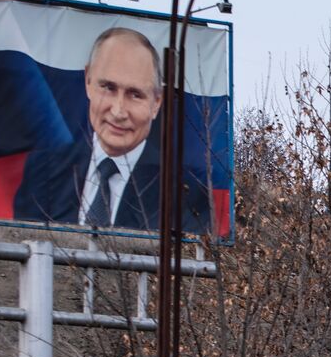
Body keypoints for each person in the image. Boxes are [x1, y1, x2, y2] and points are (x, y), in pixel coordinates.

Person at [13, 27, 214, 233]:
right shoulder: (44, 171)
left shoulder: (185, 196)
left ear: (156, 102)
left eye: (135, 94)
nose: (118, 112)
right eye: (108, 88)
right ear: (88, 81)